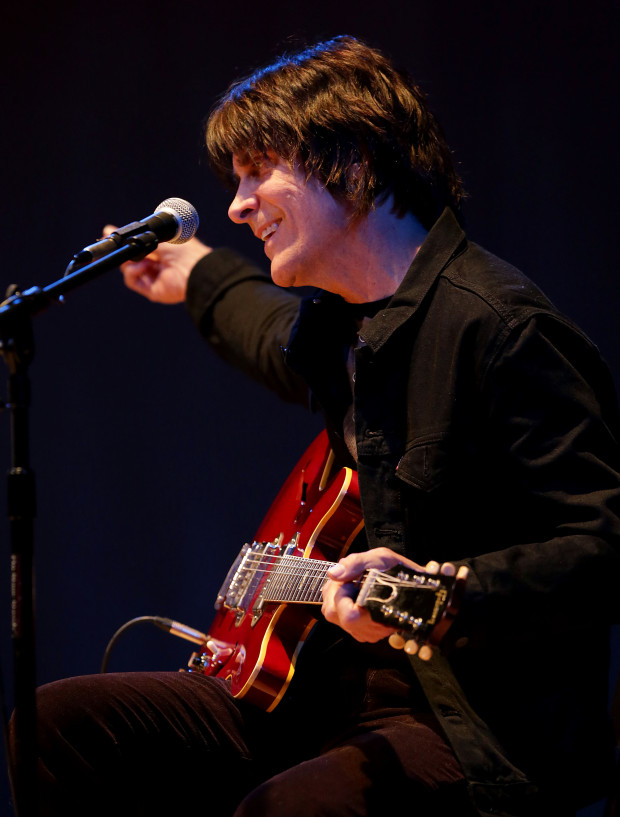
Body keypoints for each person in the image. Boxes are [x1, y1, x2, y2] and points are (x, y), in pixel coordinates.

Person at [14, 35, 620, 817]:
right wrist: (196, 271)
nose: (236, 206)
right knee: (56, 727)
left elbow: (601, 546)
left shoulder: (503, 328)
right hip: (323, 695)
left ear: (356, 163)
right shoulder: (344, 327)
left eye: (259, 170)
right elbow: (271, 332)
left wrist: (439, 593)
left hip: (474, 724)